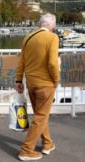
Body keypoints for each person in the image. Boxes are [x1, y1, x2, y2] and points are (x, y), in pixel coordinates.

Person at [15, 13, 59, 161]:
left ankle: (47, 144)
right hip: (46, 84)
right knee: (41, 116)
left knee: (41, 115)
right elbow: (53, 63)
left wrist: (18, 80)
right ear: (52, 26)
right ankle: (26, 150)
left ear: (40, 24)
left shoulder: (28, 38)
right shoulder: (53, 38)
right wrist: (56, 81)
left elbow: (21, 61)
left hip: (31, 84)